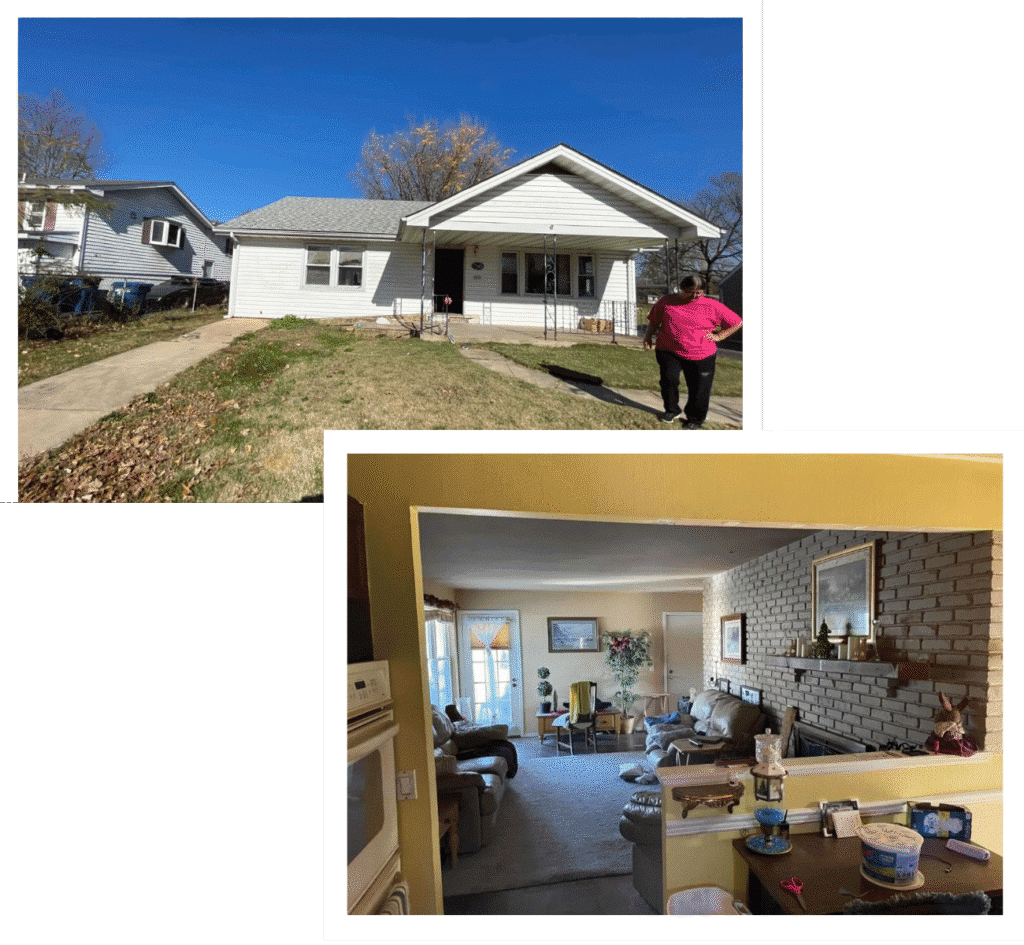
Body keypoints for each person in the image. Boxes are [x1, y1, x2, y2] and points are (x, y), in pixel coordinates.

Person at [642, 274, 742, 428]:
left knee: (699, 388)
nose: (695, 295)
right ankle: (672, 410)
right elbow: (654, 321)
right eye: (691, 291)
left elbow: (736, 322)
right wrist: (648, 336)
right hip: (668, 350)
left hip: (701, 354)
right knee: (669, 381)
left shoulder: (712, 305)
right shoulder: (667, 301)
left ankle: (695, 419)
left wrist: (720, 336)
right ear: (682, 288)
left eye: (699, 292)